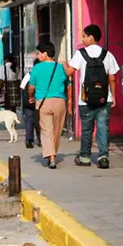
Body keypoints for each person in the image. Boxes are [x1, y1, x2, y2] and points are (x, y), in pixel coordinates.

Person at [66, 24, 120, 169]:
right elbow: (112, 78)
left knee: (86, 129)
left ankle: (85, 157)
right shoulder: (107, 54)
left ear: (91, 37)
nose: (82, 39)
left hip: (85, 99)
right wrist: (113, 96)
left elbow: (69, 72)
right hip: (104, 98)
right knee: (103, 127)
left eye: (84, 36)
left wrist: (64, 63)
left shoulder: (80, 54)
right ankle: (103, 157)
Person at [27, 42, 73, 170]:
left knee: (46, 131)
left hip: (43, 102)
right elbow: (68, 86)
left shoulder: (37, 68)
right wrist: (69, 102)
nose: (38, 55)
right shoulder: (60, 67)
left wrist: (31, 96)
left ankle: (51, 158)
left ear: (45, 54)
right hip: (59, 101)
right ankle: (53, 154)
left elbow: (31, 87)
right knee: (57, 130)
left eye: (39, 53)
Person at [20, 59, 41, 149]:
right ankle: (41, 140)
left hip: (29, 103)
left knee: (29, 121)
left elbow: (22, 87)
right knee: (40, 122)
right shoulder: (43, 76)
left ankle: (29, 140)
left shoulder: (29, 75)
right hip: (40, 102)